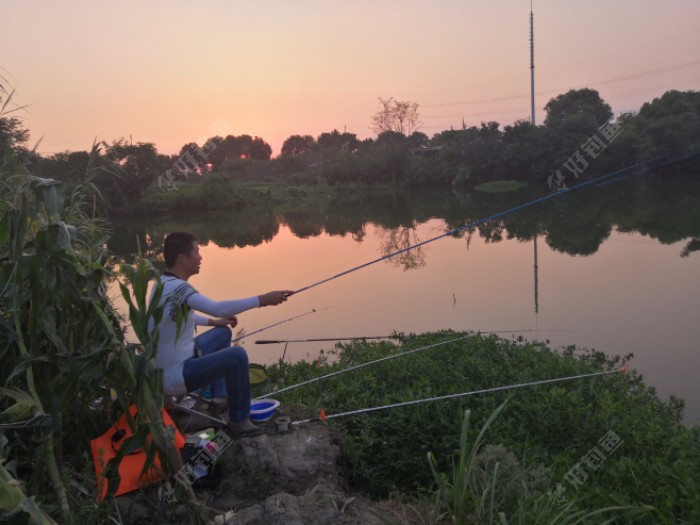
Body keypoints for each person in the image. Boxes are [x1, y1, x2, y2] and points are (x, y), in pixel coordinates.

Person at [150, 231, 292, 436]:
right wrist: (262, 300)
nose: (200, 257)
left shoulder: (162, 283)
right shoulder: (180, 289)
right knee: (237, 356)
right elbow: (219, 308)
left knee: (222, 333)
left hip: (171, 363)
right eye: (196, 252)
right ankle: (239, 420)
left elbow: (180, 317)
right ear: (182, 258)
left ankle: (220, 397)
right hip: (176, 375)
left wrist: (214, 323)